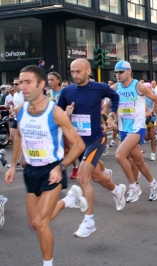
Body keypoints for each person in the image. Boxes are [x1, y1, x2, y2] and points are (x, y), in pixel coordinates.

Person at [4, 65, 87, 266]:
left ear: (41, 85)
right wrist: (13, 165)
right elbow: (19, 137)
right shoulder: (21, 109)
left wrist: (62, 166)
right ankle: (69, 201)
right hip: (31, 170)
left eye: (27, 82)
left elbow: (78, 144)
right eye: (20, 82)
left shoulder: (55, 112)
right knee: (35, 223)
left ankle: (48, 264)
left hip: (52, 170)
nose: (22, 87)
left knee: (41, 223)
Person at [58, 58, 126, 238]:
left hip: (96, 139)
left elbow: (115, 96)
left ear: (88, 70)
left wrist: (110, 115)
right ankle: (117, 190)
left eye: (79, 71)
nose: (75, 75)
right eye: (72, 71)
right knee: (96, 177)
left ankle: (89, 221)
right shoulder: (67, 91)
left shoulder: (99, 87)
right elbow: (58, 113)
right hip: (79, 142)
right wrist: (66, 114)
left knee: (82, 177)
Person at [111, 60, 157, 203]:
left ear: (129, 71)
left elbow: (156, 99)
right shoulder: (115, 87)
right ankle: (154, 184)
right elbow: (109, 104)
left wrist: (153, 112)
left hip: (137, 127)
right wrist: (110, 116)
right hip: (123, 128)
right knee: (138, 161)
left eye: (120, 72)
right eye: (116, 72)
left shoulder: (139, 86)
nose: (118, 75)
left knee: (120, 155)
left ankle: (133, 187)